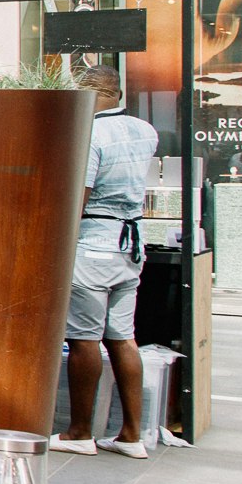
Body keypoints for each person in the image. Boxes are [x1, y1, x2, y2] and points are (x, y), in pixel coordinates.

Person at [54, 65, 161, 461]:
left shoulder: (91, 133)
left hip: (93, 245)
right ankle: (132, 434)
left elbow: (79, 195)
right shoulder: (144, 130)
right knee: (123, 338)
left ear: (87, 91)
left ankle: (80, 431)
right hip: (130, 246)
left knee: (83, 340)